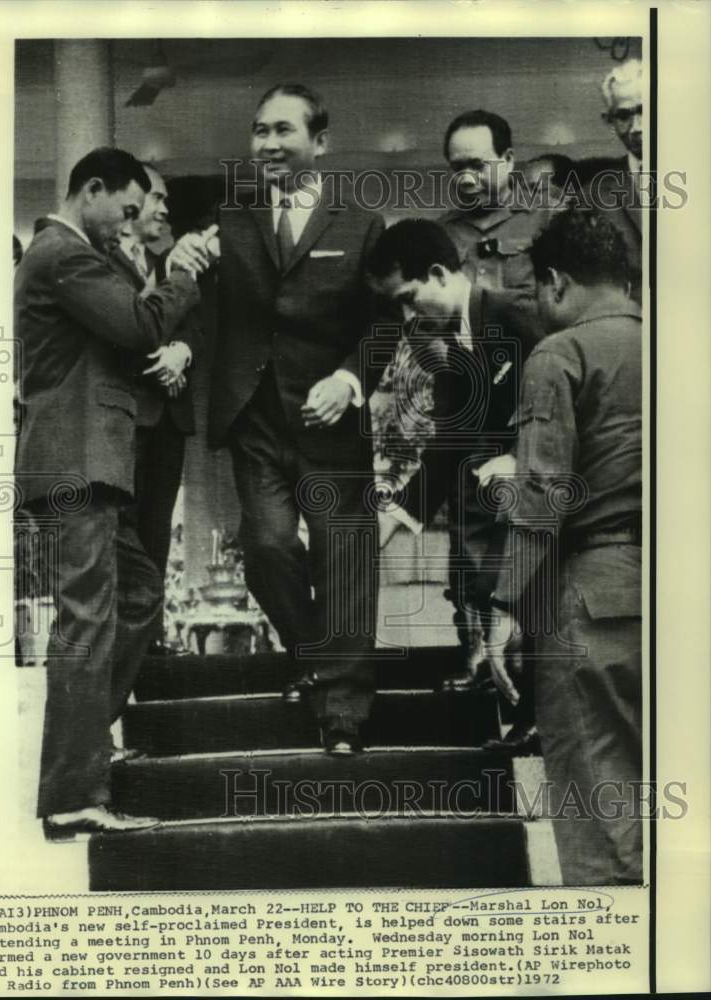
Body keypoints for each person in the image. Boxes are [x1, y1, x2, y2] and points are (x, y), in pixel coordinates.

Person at [178, 84, 386, 755]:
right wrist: (182, 261)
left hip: (331, 422)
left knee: (343, 556)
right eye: (259, 131)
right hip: (256, 419)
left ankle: (344, 716)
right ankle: (321, 662)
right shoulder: (228, 220)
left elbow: (382, 323)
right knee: (266, 547)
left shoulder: (360, 224)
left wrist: (351, 377)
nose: (268, 144)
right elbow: (198, 298)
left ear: (318, 142)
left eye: (283, 131)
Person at [14, 147, 200, 839]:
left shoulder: (69, 255)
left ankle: (86, 748)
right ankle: (71, 794)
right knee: (86, 620)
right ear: (91, 189)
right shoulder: (63, 254)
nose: (130, 225)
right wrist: (180, 274)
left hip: (85, 463)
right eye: (125, 208)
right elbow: (140, 325)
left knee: (140, 593)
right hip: (75, 462)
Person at [486, 209, 642, 884]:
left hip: (590, 594)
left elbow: (543, 494)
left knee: (596, 801)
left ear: (554, 283)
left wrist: (505, 606)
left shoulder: (559, 355)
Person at [367, 219, 542, 752]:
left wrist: (518, 455)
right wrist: (389, 522)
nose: (406, 315)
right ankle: (525, 717)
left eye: (408, 298)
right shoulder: (448, 343)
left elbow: (560, 399)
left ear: (439, 273)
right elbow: (445, 448)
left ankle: (536, 721)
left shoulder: (513, 316)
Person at [108, 163, 199, 653]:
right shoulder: (98, 259)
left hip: (169, 418)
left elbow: (193, 319)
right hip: (125, 420)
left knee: (157, 534)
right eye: (156, 198)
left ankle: (149, 643)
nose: (165, 208)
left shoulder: (167, 261)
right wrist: (155, 358)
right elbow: (118, 329)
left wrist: (181, 350)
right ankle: (126, 649)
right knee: (124, 542)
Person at [439, 109, 554, 332]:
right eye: (457, 168)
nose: (466, 180)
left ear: (508, 160)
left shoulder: (549, 217)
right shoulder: (442, 231)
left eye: (478, 165)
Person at [578, 58, 643, 301]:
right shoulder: (593, 196)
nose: (637, 127)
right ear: (609, 121)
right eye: (624, 115)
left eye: (645, 110)